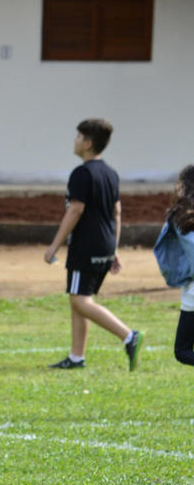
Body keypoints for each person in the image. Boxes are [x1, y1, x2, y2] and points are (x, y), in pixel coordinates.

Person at [45, 118, 143, 371]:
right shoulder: (110, 173)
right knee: (81, 297)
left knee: (80, 301)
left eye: (78, 137)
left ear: (88, 143)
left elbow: (75, 210)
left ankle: (128, 336)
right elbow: (117, 213)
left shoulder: (82, 173)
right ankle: (77, 357)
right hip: (104, 245)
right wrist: (114, 248)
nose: (74, 140)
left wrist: (54, 246)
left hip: (85, 246)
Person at [155, 165, 194, 365]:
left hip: (193, 291)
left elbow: (165, 255)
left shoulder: (180, 215)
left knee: (183, 350)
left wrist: (178, 277)